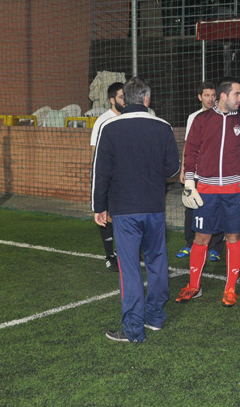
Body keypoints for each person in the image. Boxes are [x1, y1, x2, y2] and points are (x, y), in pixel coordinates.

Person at [91, 77, 179, 342]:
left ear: (124, 99)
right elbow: (173, 169)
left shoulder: (109, 127)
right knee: (157, 262)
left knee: (129, 269)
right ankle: (155, 318)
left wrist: (98, 206)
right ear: (146, 99)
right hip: (154, 207)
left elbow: (100, 172)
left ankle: (133, 329)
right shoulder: (163, 126)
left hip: (125, 210)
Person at [175, 78, 240, 308]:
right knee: (201, 238)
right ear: (224, 96)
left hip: (236, 191)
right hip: (206, 190)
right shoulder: (201, 120)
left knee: (233, 237)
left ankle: (230, 289)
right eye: (237, 94)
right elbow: (191, 151)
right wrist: (189, 183)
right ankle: (194, 286)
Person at [177, 82, 225, 263]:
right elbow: (188, 146)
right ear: (200, 97)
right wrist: (184, 169)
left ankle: (216, 247)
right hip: (196, 173)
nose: (211, 99)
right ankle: (190, 243)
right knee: (191, 208)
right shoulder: (193, 117)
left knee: (216, 209)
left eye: (213, 95)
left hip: (216, 175)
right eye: (207, 95)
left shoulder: (223, 117)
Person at [89, 81, 125, 272]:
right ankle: (110, 255)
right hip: (110, 178)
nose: (125, 100)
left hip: (127, 178)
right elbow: (95, 153)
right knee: (108, 216)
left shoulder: (130, 118)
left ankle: (124, 251)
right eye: (121, 97)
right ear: (112, 100)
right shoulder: (103, 121)